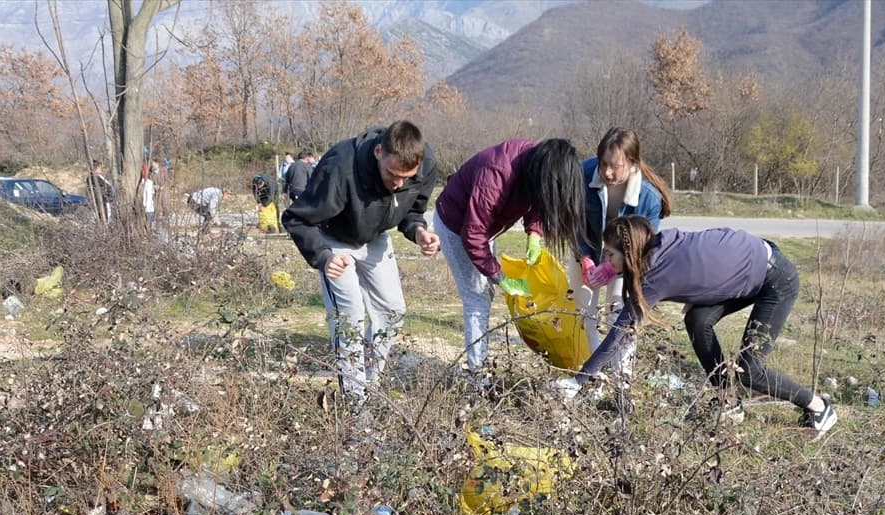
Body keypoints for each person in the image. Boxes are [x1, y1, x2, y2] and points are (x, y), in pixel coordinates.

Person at [553, 216, 838, 432]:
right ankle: (729, 401)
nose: (606, 259)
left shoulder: (655, 277)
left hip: (776, 279)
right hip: (754, 263)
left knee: (750, 370)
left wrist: (578, 380)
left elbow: (618, 334)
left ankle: (819, 408)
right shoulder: (658, 246)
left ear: (628, 254)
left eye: (610, 255)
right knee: (697, 318)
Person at [281, 121, 440, 402]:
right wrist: (323, 256)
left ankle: (369, 384)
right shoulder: (341, 166)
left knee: (392, 310)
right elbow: (296, 217)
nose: (399, 184)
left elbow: (411, 211)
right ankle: (355, 402)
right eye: (393, 175)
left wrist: (419, 232)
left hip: (374, 236)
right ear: (378, 151)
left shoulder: (425, 165)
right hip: (334, 239)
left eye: (407, 177)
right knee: (350, 315)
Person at [433, 138, 586, 381]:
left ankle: (479, 368)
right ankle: (478, 377)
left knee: (484, 294)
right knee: (477, 297)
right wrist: (499, 276)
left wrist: (534, 233)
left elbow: (539, 198)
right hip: (456, 225)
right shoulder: (496, 173)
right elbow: (472, 234)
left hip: (482, 227)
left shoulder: (539, 163)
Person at [574, 128, 672, 383]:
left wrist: (612, 267)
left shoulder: (649, 198)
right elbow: (572, 222)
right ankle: (593, 377)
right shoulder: (583, 175)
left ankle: (622, 379)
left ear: (632, 163)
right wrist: (584, 257)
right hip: (587, 252)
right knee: (585, 311)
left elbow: (643, 247)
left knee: (619, 310)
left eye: (615, 166)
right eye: (603, 163)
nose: (606, 172)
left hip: (624, 261)